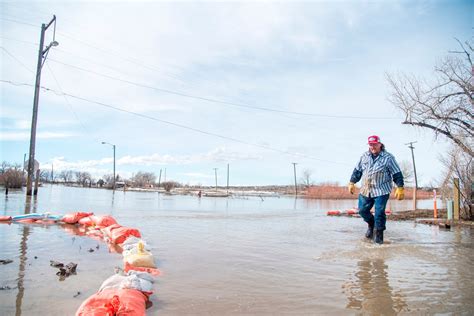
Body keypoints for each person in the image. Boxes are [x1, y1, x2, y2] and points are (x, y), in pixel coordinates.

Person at [348, 135, 404, 244]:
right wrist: (352, 182)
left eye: (374, 144)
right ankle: (371, 224)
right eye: (370, 144)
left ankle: (379, 236)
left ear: (380, 144)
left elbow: (397, 173)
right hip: (365, 190)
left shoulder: (388, 158)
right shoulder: (364, 156)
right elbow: (357, 171)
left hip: (381, 191)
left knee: (379, 213)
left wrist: (400, 187)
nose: (372, 146)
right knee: (362, 211)